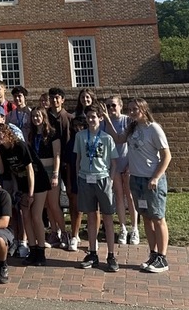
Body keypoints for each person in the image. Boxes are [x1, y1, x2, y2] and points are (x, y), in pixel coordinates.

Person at [120, 98, 171, 273]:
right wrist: (106, 118)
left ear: (144, 109)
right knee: (146, 218)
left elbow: (167, 156)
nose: (132, 112)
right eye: (130, 109)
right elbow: (119, 139)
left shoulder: (154, 128)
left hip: (151, 180)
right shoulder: (132, 128)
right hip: (136, 179)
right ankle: (153, 254)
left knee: (158, 218)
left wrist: (156, 177)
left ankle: (162, 259)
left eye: (135, 109)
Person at [0, 124, 49, 266]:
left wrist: (30, 194)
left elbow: (30, 170)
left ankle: (41, 252)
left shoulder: (20, 145)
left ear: (7, 133)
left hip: (38, 182)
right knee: (26, 217)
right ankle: (33, 249)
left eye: (0, 133)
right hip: (23, 185)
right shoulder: (3, 150)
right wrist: (18, 191)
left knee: (36, 216)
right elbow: (12, 172)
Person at [73, 104, 119, 273]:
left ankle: (111, 255)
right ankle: (92, 253)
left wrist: (111, 180)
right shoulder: (80, 136)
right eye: (88, 117)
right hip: (85, 178)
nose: (91, 120)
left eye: (94, 117)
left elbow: (114, 163)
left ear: (100, 118)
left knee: (107, 218)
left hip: (103, 179)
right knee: (91, 216)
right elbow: (78, 158)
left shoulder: (107, 138)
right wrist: (79, 176)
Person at [43, 88, 79, 251]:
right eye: (52, 98)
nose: (54, 101)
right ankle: (55, 231)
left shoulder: (70, 118)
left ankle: (73, 234)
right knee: (51, 201)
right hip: (50, 164)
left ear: (63, 100)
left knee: (72, 197)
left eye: (57, 98)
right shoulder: (45, 117)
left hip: (68, 164)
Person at [103, 95, 139, 245]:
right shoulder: (104, 123)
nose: (111, 108)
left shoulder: (128, 120)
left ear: (120, 106)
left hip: (128, 163)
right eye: (108, 106)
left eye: (113, 105)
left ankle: (135, 228)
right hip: (114, 164)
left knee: (129, 196)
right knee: (118, 196)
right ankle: (123, 228)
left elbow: (121, 139)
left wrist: (131, 164)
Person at [28, 106, 64, 251]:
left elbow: (57, 155)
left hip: (50, 171)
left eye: (38, 116)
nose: (36, 119)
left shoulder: (52, 133)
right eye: (33, 116)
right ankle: (54, 232)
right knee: (46, 205)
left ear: (44, 117)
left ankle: (65, 234)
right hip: (37, 172)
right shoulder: (31, 135)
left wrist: (55, 173)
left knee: (54, 204)